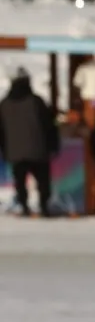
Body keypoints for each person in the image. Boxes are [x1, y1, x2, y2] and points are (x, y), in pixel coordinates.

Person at [1, 72, 58, 217]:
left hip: (15, 150)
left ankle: (24, 206)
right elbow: (49, 125)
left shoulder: (4, 104)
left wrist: (4, 149)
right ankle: (44, 206)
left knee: (20, 181)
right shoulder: (36, 101)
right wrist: (53, 145)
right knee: (43, 180)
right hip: (38, 149)